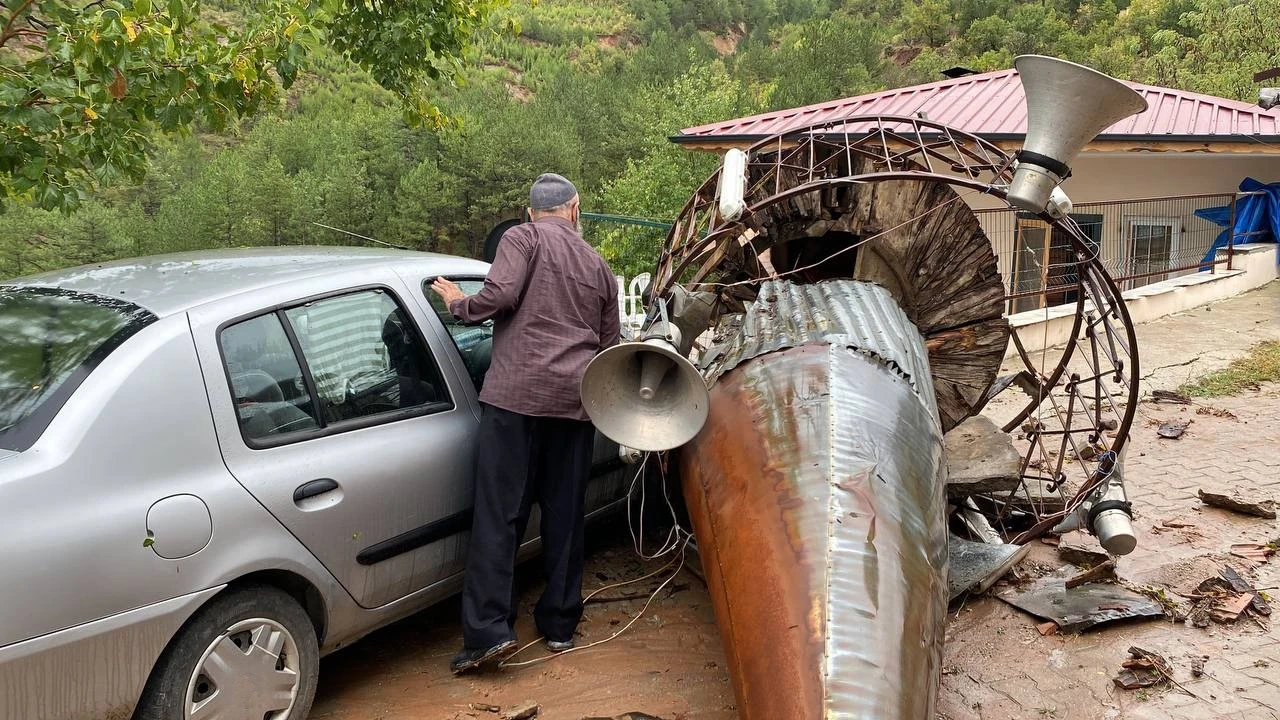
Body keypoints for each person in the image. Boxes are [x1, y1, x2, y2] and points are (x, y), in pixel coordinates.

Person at [431, 173, 621, 675]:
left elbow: (500, 294)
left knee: (500, 518)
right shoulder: (598, 264)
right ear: (575, 208)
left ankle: (490, 634)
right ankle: (559, 625)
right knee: (564, 517)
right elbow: (610, 346)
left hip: (515, 403)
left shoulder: (522, 238)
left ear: (529, 211)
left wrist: (457, 303)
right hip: (575, 407)